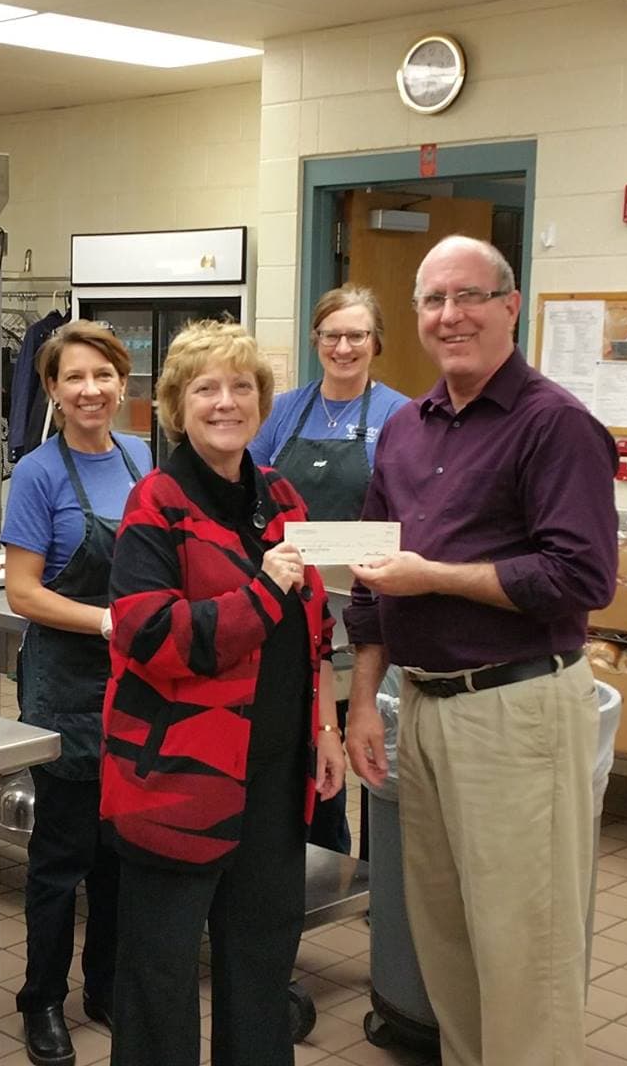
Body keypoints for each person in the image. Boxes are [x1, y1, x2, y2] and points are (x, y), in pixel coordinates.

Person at [343, 235, 619, 1066]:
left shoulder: (554, 425)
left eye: (468, 297)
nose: (450, 316)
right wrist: (363, 699)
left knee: (524, 943)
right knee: (447, 935)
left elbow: (580, 577)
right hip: (422, 708)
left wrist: (436, 576)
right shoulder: (405, 428)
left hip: (517, 711)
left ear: (510, 306)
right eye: (433, 300)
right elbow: (370, 573)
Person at [102, 319, 345, 1066]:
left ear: (262, 403)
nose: (226, 402)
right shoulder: (157, 502)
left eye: (242, 386)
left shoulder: (281, 496)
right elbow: (150, 638)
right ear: (176, 404)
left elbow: (315, 633)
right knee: (161, 974)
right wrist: (263, 592)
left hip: (273, 777)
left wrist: (327, 730)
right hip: (176, 779)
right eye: (206, 387)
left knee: (262, 961)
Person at [0, 322, 153, 1066]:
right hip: (67, 683)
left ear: (122, 383)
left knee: (122, 849)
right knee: (62, 855)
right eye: (73, 378)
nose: (90, 390)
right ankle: (42, 1001)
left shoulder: (143, 460)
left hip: (138, 688)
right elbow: (22, 593)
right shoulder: (37, 473)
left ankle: (106, 985)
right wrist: (106, 620)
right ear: (52, 390)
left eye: (103, 376)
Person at [248, 285, 407, 855]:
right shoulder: (286, 410)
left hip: (366, 602)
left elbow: (409, 508)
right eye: (332, 335)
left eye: (356, 335)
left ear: (376, 342)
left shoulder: (399, 415)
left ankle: (376, 868)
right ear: (316, 340)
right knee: (312, 727)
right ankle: (320, 852)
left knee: (368, 727)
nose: (344, 347)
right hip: (291, 597)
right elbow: (254, 488)